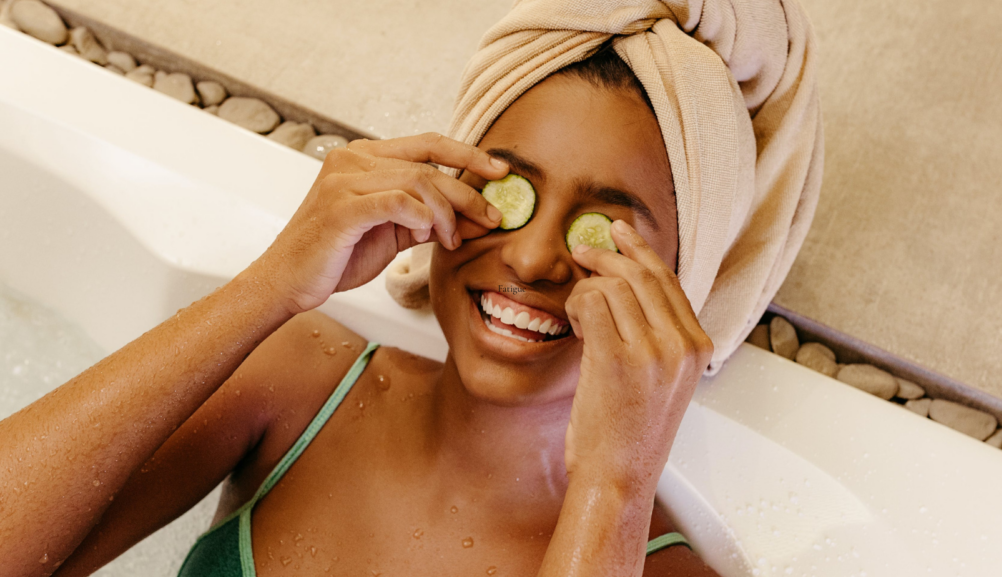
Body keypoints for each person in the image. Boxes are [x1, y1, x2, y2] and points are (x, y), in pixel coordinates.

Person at [0, 1, 822, 576]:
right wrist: (272, 284)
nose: (533, 257)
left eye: (603, 232)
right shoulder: (302, 384)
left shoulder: (656, 564)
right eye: (508, 191)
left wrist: (615, 485)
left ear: (681, 287)